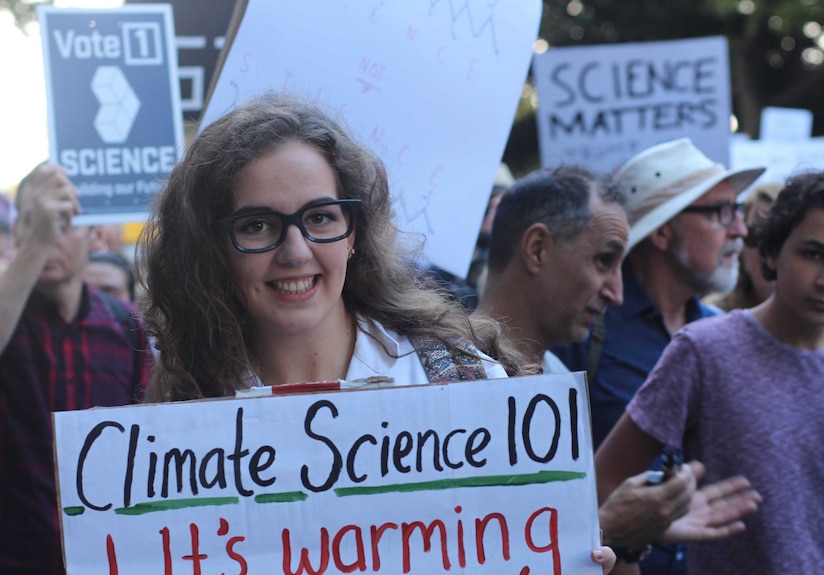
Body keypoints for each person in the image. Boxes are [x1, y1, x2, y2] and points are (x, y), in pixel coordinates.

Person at [137, 93, 619, 573]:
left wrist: (570, 556)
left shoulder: (464, 383)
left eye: (320, 218)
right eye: (258, 225)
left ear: (353, 234)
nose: (295, 251)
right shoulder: (181, 420)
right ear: (216, 247)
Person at [475, 164, 760, 559]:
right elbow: (460, 552)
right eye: (604, 261)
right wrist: (608, 526)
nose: (617, 293)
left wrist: (625, 535)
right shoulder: (435, 379)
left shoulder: (559, 379)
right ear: (537, 249)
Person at [595, 164, 824, 574]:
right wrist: (635, 542)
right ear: (771, 253)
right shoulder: (706, 349)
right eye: (813, 254)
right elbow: (604, 479)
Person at [553, 138, 764, 574]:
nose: (740, 230)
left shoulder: (720, 333)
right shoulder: (584, 329)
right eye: (721, 212)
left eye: (739, 211)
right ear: (664, 231)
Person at [0, 163, 151, 574]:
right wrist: (36, 243)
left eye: (62, 222)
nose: (48, 236)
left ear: (95, 237)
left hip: (105, 557)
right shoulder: (9, 315)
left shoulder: (124, 326)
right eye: (32, 222)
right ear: (17, 234)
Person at [704, 182, 782, 311]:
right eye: (756, 236)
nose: (768, 252)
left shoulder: (821, 318)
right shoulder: (711, 317)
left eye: (781, 237)